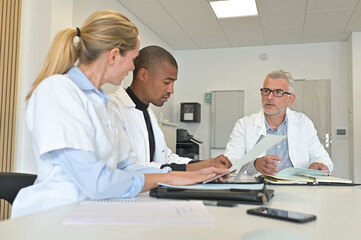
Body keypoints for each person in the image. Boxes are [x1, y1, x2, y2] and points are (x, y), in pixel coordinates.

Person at [11, 10, 228, 218]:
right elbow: (97, 183)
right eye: (133, 58)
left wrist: (193, 174)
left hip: (95, 212)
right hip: (55, 218)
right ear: (114, 55)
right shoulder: (58, 91)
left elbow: (128, 166)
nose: (133, 66)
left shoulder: (99, 103)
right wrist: (169, 177)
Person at [107, 45, 232, 172]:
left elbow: (165, 159)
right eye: (167, 82)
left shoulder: (148, 113)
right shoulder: (113, 108)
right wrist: (194, 168)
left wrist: (207, 163)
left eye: (173, 83)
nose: (171, 90)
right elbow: (127, 167)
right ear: (143, 75)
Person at [224, 70, 333, 176]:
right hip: (259, 189)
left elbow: (321, 157)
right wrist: (254, 164)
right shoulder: (244, 125)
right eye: (266, 91)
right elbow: (229, 162)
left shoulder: (303, 123)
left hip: (297, 188)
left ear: (290, 99)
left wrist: (318, 164)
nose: (270, 97)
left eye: (278, 92)